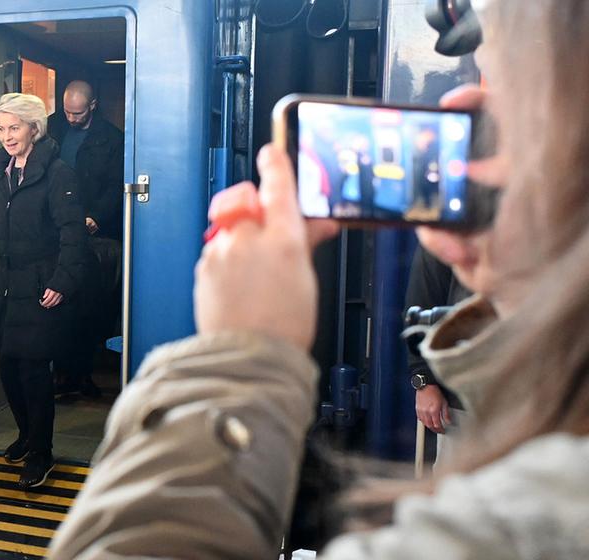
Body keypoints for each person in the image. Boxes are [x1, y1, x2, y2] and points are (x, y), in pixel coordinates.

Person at [49, 1, 589, 557]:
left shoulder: (519, 526)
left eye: (502, 81)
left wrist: (236, 357)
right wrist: (534, 286)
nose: (468, 97)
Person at [0, 93, 88, 488]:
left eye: (14, 127)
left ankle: (42, 454)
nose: (6, 136)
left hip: (41, 284)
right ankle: (27, 436)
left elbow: (72, 233)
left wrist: (62, 282)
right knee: (7, 367)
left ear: (34, 128)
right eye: (0, 128)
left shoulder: (58, 173)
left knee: (32, 372)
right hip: (8, 284)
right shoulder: (5, 172)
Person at [46, 80, 124, 399]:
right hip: (57, 231)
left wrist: (96, 217)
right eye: (67, 111)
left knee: (89, 308)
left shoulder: (113, 140)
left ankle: (82, 374)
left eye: (78, 112)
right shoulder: (51, 127)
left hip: (93, 234)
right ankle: (64, 375)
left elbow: (117, 185)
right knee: (59, 307)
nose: (72, 118)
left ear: (93, 106)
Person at [405, 246, 471, 463]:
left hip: (539, 400)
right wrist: (424, 381)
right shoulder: (456, 226)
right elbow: (422, 301)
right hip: (464, 400)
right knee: (460, 489)